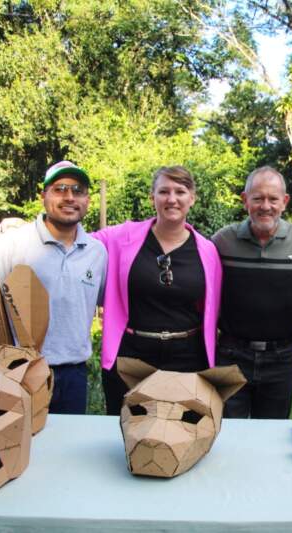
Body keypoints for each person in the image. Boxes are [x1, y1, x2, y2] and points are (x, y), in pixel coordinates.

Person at [0, 160, 108, 414]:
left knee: (65, 450)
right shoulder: (13, 244)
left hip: (73, 375)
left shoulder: (97, 252)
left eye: (78, 190)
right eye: (60, 189)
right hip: (18, 370)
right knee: (19, 450)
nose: (69, 197)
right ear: (43, 196)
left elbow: (109, 306)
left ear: (87, 200)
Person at [92, 166, 222, 416]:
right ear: (152, 198)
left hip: (188, 357)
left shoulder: (207, 250)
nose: (172, 199)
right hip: (132, 357)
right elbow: (76, 240)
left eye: (180, 192)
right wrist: (21, 227)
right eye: (164, 191)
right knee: (129, 431)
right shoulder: (121, 236)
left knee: (182, 430)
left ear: (192, 198)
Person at [213, 166, 292, 419]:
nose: (266, 206)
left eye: (273, 199)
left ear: (284, 202)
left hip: (280, 357)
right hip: (231, 355)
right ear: (244, 200)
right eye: (258, 198)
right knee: (227, 434)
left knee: (272, 433)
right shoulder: (222, 241)